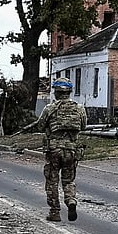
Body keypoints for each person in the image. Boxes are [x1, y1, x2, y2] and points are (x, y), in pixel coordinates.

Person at [34, 77, 87, 222]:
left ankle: (55, 212)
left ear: (56, 92)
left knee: (52, 181)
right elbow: (83, 126)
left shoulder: (49, 108)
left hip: (54, 150)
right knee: (68, 180)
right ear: (70, 92)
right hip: (71, 150)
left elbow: (40, 126)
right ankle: (71, 200)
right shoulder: (79, 108)